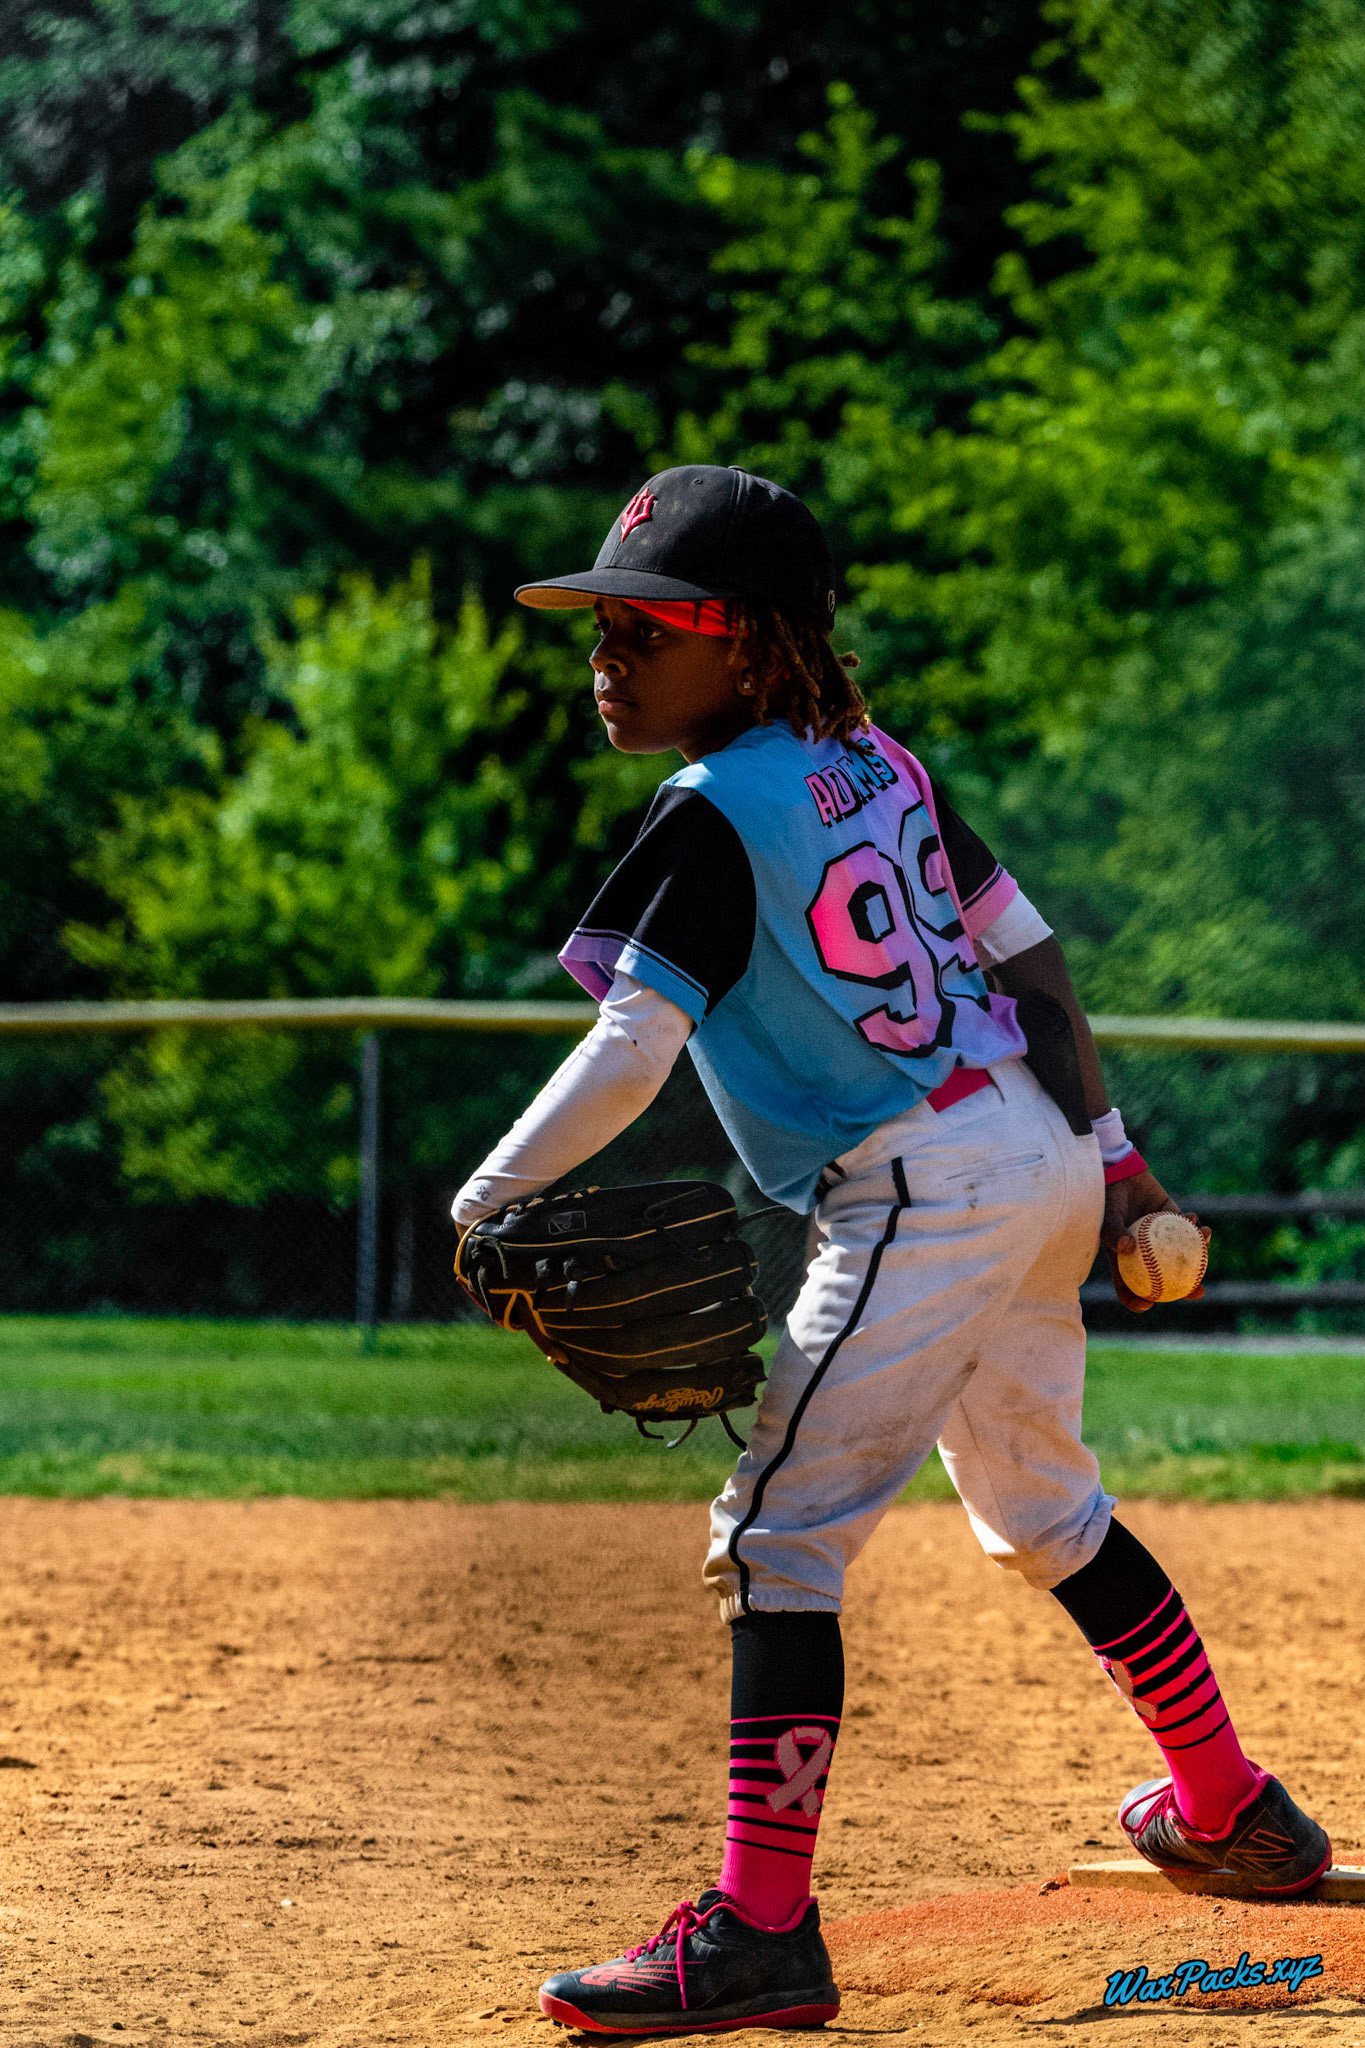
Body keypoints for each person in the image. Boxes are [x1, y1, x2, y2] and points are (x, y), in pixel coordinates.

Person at [452, 466, 1330, 2036]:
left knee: (775, 1539)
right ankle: (1228, 1807)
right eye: (600, 628)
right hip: (1032, 1153)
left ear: (743, 640)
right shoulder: (877, 763)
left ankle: (757, 1932)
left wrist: (479, 1199)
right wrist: (1113, 1160)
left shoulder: (713, 808)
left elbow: (636, 1042)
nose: (605, 655)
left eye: (644, 628)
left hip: (922, 1184)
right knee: (1046, 1508)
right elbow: (1028, 956)